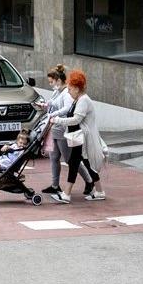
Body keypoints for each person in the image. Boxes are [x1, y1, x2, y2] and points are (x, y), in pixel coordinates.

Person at [48, 70, 106, 203]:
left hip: (83, 139)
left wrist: (57, 120)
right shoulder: (79, 99)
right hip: (80, 138)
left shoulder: (83, 101)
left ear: (76, 88)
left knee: (75, 163)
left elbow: (76, 120)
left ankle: (67, 194)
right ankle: (99, 191)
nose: (68, 92)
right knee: (81, 163)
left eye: (70, 89)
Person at [42, 65, 93, 196]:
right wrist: (46, 106)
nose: (51, 84)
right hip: (55, 127)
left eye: (51, 82)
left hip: (63, 128)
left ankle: (89, 180)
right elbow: (53, 104)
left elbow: (68, 109)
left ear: (58, 80)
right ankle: (55, 185)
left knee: (70, 159)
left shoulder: (67, 93)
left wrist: (55, 116)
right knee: (54, 157)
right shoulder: (57, 92)